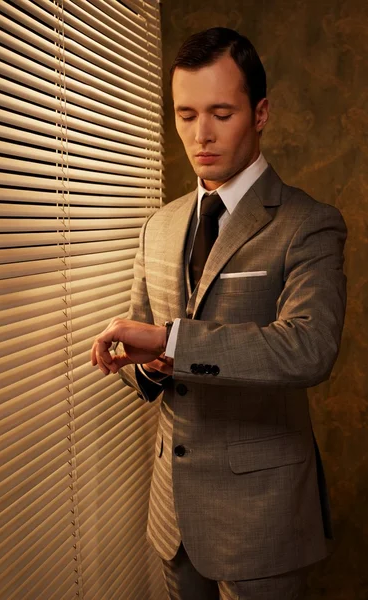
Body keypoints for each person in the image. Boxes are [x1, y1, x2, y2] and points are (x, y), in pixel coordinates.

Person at [91, 27, 347, 600]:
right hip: (172, 516)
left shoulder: (309, 223)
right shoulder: (158, 227)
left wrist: (170, 340)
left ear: (259, 114)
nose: (199, 134)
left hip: (263, 517)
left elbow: (309, 347)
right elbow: (150, 350)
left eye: (221, 113)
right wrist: (152, 363)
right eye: (185, 114)